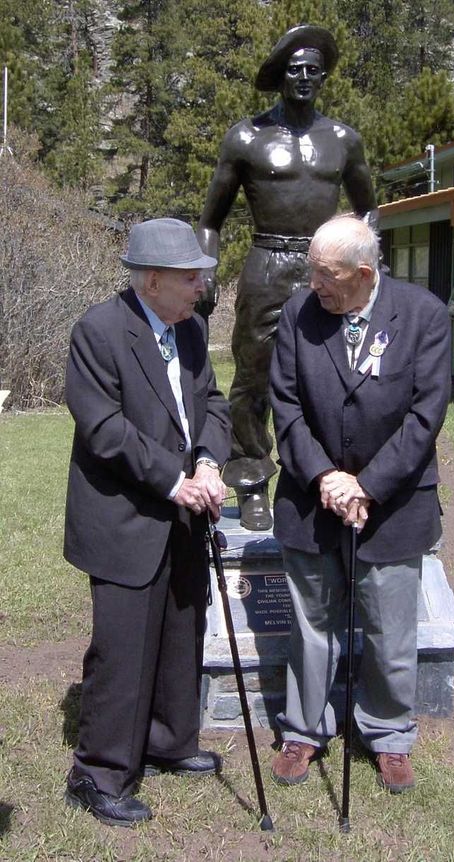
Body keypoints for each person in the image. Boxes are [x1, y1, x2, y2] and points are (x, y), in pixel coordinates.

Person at [269, 216, 451, 792]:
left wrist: (366, 485)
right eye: (311, 271)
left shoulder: (423, 316)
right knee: (311, 623)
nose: (314, 284)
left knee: (389, 629)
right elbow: (286, 404)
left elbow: (425, 417)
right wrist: (326, 476)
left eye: (327, 275)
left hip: (394, 503)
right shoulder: (299, 314)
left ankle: (389, 733)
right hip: (312, 498)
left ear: (365, 273)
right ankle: (303, 730)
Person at [63, 218, 231, 826]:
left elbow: (212, 401)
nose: (200, 287)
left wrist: (210, 462)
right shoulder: (98, 332)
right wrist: (173, 480)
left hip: (186, 511)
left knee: (180, 633)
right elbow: (104, 429)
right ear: (152, 279)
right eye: (191, 277)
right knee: (124, 648)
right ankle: (98, 772)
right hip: (125, 517)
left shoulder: (190, 329)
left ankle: (166, 741)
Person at [198, 24, 377, 531]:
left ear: (324, 76)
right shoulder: (247, 137)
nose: (304, 77)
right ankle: (252, 480)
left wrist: (365, 268)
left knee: (331, 378)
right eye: (295, 69)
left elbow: (369, 212)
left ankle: (323, 479)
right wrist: (206, 267)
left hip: (327, 268)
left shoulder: (344, 140)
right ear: (279, 75)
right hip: (267, 262)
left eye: (313, 70)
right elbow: (210, 220)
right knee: (253, 379)